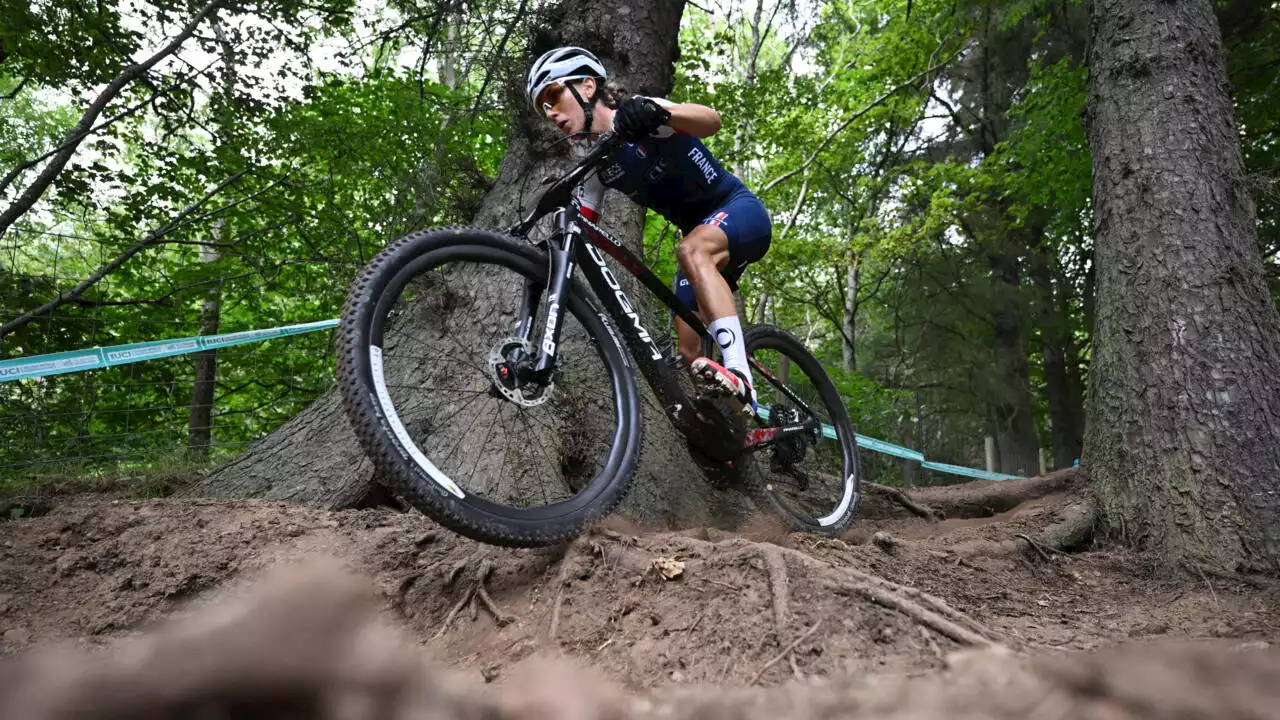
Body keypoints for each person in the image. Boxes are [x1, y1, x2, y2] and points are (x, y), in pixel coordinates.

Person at [526, 46, 773, 415]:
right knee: (689, 351)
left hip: (736, 209)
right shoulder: (597, 167)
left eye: (552, 95)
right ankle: (735, 427)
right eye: (542, 108)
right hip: (698, 237)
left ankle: (741, 375)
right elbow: (582, 229)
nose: (550, 112)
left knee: (691, 251)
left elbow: (711, 120)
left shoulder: (638, 113)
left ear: (588, 86)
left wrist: (662, 111)